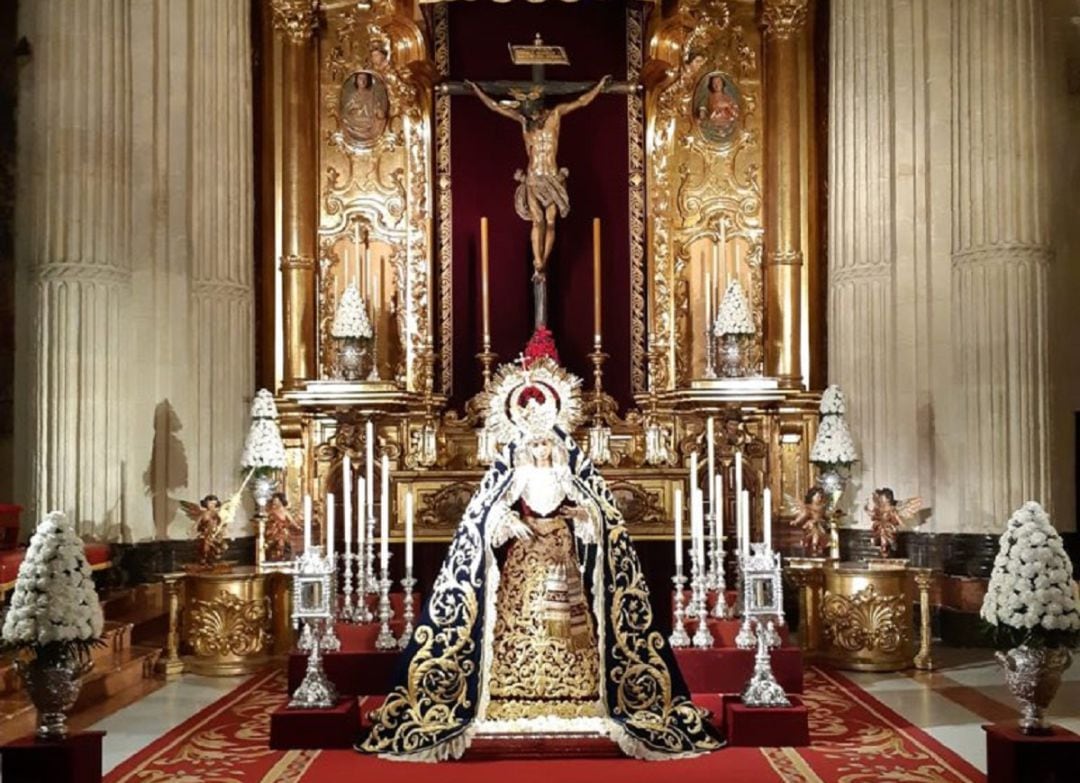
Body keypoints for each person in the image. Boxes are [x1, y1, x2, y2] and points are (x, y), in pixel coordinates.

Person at [358, 327, 720, 760]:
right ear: (525, 443)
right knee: (519, 621)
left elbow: (595, 511)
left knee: (570, 623)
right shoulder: (518, 473)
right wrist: (507, 519)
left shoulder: (568, 473)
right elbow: (487, 512)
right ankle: (508, 689)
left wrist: (583, 516)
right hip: (527, 557)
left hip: (561, 553)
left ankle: (581, 690)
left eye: (549, 442)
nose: (544, 448)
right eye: (537, 443)